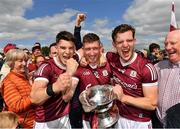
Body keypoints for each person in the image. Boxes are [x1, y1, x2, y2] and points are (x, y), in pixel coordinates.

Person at [105, 24, 158, 129]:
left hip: (139, 122)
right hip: (118, 118)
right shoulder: (111, 58)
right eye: (120, 42)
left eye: (129, 40)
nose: (125, 45)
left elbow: (152, 104)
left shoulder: (146, 67)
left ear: (134, 41)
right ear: (114, 45)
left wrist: (123, 98)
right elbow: (90, 51)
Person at [30, 31, 79, 129]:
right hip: (45, 121)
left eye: (71, 48)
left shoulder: (73, 62)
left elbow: (66, 98)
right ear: (56, 48)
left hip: (64, 117)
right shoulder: (47, 67)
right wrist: (56, 86)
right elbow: (34, 98)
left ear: (74, 49)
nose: (67, 52)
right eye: (63, 48)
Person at [1, 49, 35, 128]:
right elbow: (16, 106)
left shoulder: (23, 77)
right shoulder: (9, 81)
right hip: (22, 124)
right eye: (20, 61)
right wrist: (34, 97)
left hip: (32, 122)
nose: (24, 63)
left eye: (25, 60)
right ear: (12, 63)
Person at [154, 29, 180, 128]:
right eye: (166, 44)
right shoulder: (158, 66)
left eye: (172, 43)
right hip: (158, 123)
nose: (168, 47)